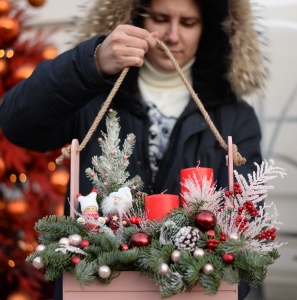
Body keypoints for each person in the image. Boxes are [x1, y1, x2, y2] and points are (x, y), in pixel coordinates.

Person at [0, 0, 266, 299]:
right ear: (137, 19)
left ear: (208, 28)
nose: (173, 35)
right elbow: (18, 123)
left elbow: (248, 225)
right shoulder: (93, 95)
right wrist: (92, 64)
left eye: (188, 23)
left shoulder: (233, 116)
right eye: (161, 18)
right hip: (97, 287)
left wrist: (218, 285)